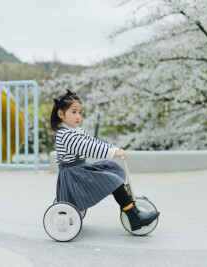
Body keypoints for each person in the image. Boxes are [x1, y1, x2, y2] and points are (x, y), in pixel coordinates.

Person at [50, 89, 159, 231]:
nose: (78, 116)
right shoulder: (65, 135)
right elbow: (89, 147)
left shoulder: (75, 131)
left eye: (80, 112)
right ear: (61, 114)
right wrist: (113, 152)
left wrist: (114, 149)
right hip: (74, 175)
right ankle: (133, 216)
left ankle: (129, 205)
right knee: (112, 180)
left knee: (111, 168)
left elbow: (94, 142)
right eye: (74, 112)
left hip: (79, 169)